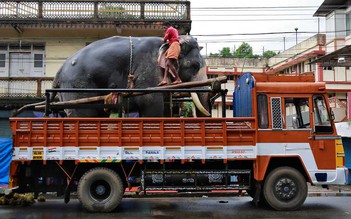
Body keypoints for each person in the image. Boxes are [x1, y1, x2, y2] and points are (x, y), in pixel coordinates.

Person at [158, 21, 182, 86]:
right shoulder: (174, 30)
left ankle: (178, 79)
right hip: (173, 45)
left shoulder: (170, 29)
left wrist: (163, 37)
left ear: (167, 26)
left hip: (174, 45)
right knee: (166, 63)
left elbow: (164, 40)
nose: (164, 29)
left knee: (169, 63)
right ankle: (164, 79)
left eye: (164, 27)